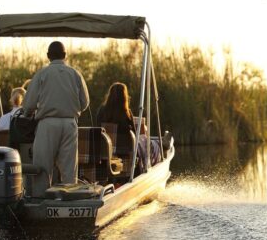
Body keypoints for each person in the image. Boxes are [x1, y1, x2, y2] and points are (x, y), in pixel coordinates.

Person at [22, 41, 90, 194]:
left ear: (48, 56)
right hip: (70, 124)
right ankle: (68, 199)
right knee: (69, 169)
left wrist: (28, 114)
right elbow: (85, 103)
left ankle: (41, 198)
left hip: (47, 124)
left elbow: (29, 104)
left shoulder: (42, 74)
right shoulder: (75, 74)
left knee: (43, 167)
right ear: (65, 55)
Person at [97, 82, 162, 170]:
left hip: (105, 153)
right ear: (124, 97)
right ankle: (163, 143)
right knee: (148, 142)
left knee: (145, 141)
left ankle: (162, 142)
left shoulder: (101, 111)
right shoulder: (126, 113)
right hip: (125, 154)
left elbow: (98, 129)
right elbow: (134, 135)